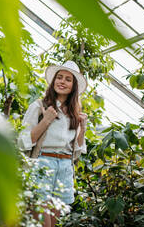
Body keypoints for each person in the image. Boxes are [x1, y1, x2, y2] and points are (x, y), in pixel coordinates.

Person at [18, 60, 87, 227]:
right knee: (43, 223)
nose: (62, 82)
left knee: (53, 223)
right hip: (43, 163)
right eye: (59, 77)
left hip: (64, 168)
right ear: (54, 80)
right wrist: (46, 120)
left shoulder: (74, 113)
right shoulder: (39, 106)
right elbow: (22, 141)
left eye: (68, 79)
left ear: (74, 86)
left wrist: (82, 128)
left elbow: (76, 151)